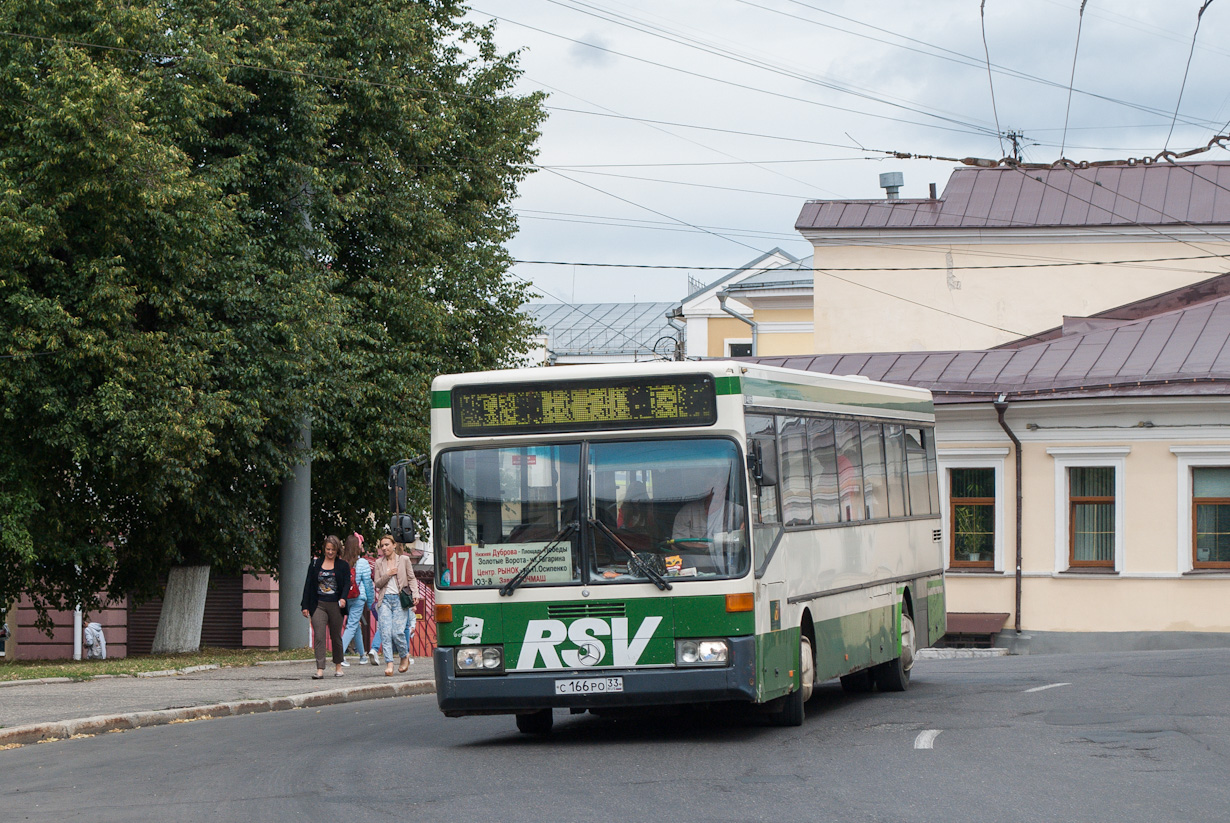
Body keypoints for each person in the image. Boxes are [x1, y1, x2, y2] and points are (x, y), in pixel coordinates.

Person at [301, 535, 351, 679]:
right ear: (324, 549)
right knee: (319, 636)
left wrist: (343, 598)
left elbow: (347, 584)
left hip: (336, 605)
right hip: (318, 605)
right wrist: (305, 605)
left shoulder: (343, 565)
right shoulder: (315, 564)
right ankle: (320, 669)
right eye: (328, 549)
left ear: (337, 550)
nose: (330, 552)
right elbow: (308, 585)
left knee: (336, 636)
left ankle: (338, 666)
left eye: (333, 550)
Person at [372, 534, 415, 676]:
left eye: (387, 545)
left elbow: (411, 578)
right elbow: (378, 583)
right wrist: (388, 574)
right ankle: (389, 663)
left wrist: (416, 594)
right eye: (382, 546)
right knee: (385, 632)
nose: (384, 548)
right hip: (384, 600)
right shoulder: (379, 563)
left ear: (394, 545)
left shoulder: (404, 560)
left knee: (397, 632)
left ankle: (404, 655)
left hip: (400, 600)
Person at [339, 533, 374, 665]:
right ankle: (339, 655)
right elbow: (368, 584)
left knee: (355, 625)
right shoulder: (362, 563)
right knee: (352, 625)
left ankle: (362, 655)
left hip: (346, 598)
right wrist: (370, 603)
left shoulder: (342, 563)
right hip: (359, 597)